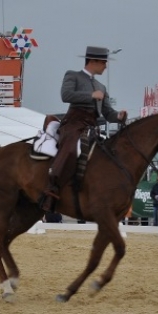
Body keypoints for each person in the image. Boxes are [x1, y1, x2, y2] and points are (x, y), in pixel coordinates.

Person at [41, 46, 128, 211]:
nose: (105, 66)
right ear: (93, 61)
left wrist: (118, 116)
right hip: (74, 122)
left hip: (92, 125)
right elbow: (65, 95)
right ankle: (52, 188)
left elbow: (107, 112)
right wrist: (90, 95)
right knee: (71, 148)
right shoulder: (72, 75)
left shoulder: (101, 86)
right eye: (103, 62)